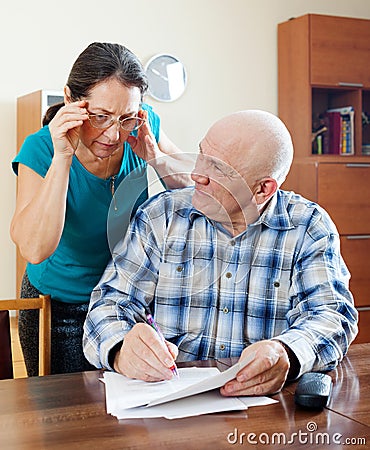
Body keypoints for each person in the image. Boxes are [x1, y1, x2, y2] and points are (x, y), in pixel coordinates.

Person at [83, 109, 358, 396]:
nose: (195, 174)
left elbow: (332, 316)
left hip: (263, 412)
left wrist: (286, 352)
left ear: (263, 189)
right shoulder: (160, 215)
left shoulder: (308, 227)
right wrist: (120, 349)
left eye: (219, 169)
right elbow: (108, 305)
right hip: (167, 405)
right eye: (202, 154)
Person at [10, 42, 192, 376]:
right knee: (65, 420)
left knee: (126, 417)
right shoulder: (40, 148)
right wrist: (63, 157)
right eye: (100, 117)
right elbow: (34, 248)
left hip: (125, 298)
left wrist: (155, 158)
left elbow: (199, 196)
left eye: (124, 118)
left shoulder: (140, 125)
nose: (113, 134)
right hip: (59, 306)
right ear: (70, 100)